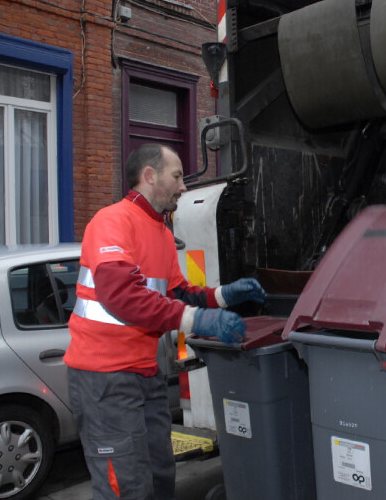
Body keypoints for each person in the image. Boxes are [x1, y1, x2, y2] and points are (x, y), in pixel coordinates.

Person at [64, 143, 266, 500]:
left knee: (159, 474)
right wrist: (198, 319)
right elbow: (121, 295)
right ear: (149, 176)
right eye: (177, 177)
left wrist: (224, 295)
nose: (184, 187)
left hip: (144, 374)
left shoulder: (160, 232)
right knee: (125, 487)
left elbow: (176, 293)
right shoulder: (112, 221)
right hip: (104, 379)